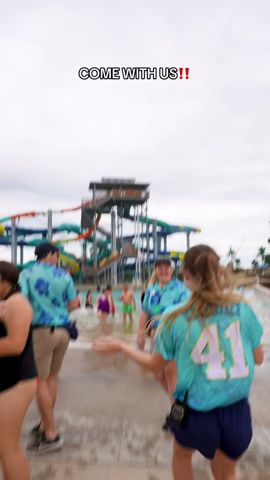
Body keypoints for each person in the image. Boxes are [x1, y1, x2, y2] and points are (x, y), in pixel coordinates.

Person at [93, 245, 264, 480]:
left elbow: (155, 365)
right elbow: (258, 357)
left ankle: (174, 416)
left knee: (182, 457)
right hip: (237, 413)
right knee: (226, 472)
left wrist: (122, 345)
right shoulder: (243, 308)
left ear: (185, 276)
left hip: (197, 412)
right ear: (219, 271)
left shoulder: (175, 317)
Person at [19, 241, 80, 454]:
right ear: (51, 254)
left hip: (41, 332)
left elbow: (23, 301)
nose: (58, 259)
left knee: (40, 381)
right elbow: (74, 305)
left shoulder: (27, 274)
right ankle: (46, 423)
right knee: (52, 378)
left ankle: (51, 434)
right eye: (57, 254)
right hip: (63, 332)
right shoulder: (64, 275)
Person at [0, 261, 37, 480]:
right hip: (8, 379)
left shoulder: (17, 303)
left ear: (5, 281)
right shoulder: (6, 302)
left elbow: (16, 344)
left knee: (8, 448)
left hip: (17, 382)